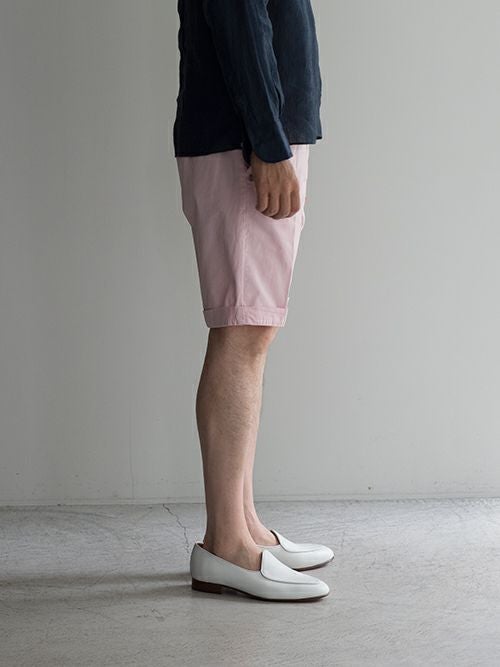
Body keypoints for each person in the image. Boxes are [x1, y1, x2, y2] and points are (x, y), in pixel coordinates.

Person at [174, 0, 333, 602]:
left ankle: (244, 528)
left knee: (252, 330)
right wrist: (269, 142)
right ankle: (226, 546)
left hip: (253, 134)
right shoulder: (258, 143)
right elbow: (240, 15)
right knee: (242, 330)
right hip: (246, 140)